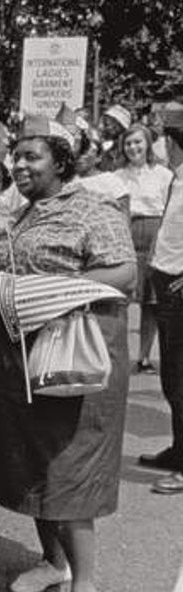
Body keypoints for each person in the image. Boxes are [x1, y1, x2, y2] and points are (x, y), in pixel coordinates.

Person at [0, 115, 135, 592]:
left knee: (68, 468)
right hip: (18, 361)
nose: (18, 166)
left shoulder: (92, 210)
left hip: (71, 357)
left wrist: (53, 289)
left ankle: (85, 588)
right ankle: (52, 562)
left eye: (31, 157)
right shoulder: (18, 215)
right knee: (31, 463)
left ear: (61, 162)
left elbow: (123, 272)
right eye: (15, 158)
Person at [143, 105, 183, 485]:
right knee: (171, 374)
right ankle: (178, 448)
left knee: (180, 376)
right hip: (166, 279)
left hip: (179, 285)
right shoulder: (177, 178)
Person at [113, 123, 174, 373]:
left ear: (148, 144)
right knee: (122, 299)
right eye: (128, 143)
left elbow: (170, 209)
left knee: (151, 303)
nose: (133, 148)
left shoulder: (163, 174)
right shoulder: (118, 176)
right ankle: (119, 355)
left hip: (156, 235)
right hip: (127, 232)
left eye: (138, 142)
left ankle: (144, 356)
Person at [98, 105, 131, 172]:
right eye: (105, 123)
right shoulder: (100, 139)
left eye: (106, 124)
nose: (103, 127)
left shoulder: (122, 147)